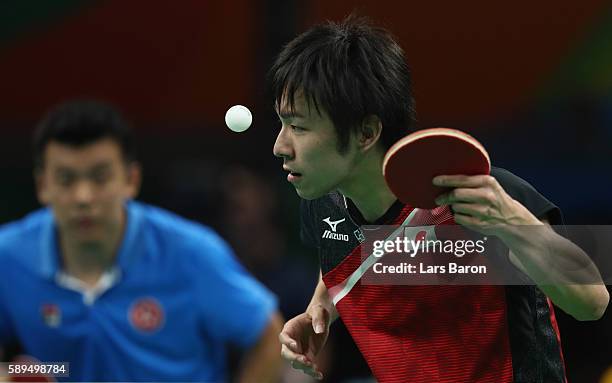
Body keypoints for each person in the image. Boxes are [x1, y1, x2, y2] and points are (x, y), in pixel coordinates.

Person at [270, 16, 609, 383]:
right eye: (282, 124)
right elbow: (352, 252)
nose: (279, 146)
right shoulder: (324, 205)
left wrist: (511, 222)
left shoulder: (475, 196)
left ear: (366, 132)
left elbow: (592, 302)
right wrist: (318, 310)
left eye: (299, 127)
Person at [0, 100, 283, 382]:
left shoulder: (190, 252)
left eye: (100, 178)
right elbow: (51, 370)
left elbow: (268, 335)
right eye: (66, 179)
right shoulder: (8, 257)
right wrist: (15, 373)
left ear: (131, 180)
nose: (83, 197)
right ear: (42, 186)